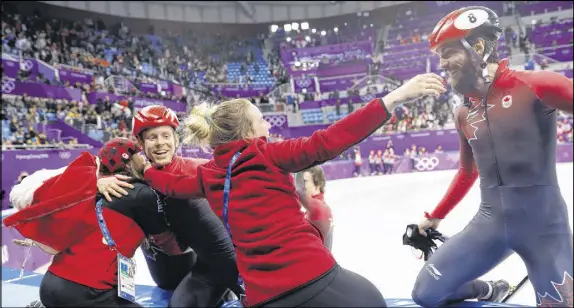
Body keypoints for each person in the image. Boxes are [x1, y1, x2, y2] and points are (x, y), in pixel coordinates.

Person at [132, 72, 446, 307]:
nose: (267, 126)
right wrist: (394, 98)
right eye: (262, 121)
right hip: (310, 275)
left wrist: (146, 170)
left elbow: (171, 185)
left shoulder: (207, 174)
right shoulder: (269, 153)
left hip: (260, 295)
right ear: (248, 131)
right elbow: (331, 140)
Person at [411, 6, 573, 307]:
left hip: (545, 228)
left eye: (447, 53)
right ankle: (488, 289)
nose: (443, 64)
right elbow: (466, 172)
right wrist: (435, 216)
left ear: (480, 47)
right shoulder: (464, 113)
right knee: (425, 294)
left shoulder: (535, 85)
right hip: (489, 225)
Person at [11, 106, 241, 307]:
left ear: (176, 140)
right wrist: (92, 182)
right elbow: (22, 192)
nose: (160, 143)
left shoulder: (191, 170)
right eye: (152, 138)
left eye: (166, 136)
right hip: (162, 272)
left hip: (207, 265)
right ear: (140, 145)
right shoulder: (126, 184)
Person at [5, 138, 182, 307]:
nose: (145, 160)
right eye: (140, 156)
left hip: (52, 282)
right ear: (130, 161)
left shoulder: (91, 189)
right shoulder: (141, 194)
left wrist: (92, 181)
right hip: (87, 291)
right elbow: (169, 245)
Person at [295, 166, 334, 251]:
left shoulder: (319, 209)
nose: (302, 186)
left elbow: (298, 191)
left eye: (305, 182)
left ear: (318, 185)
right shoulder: (319, 209)